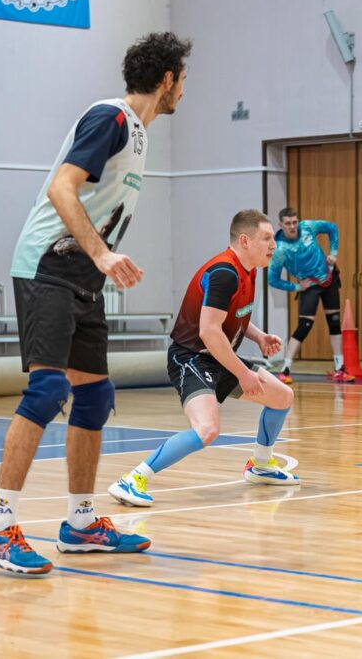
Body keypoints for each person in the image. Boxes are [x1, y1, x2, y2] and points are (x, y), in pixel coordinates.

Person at [0, 32, 192, 575]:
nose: (184, 91)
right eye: (183, 80)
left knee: (94, 397)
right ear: (167, 79)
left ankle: (81, 523)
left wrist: (99, 260)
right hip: (47, 268)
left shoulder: (137, 133)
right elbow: (61, 188)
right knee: (48, 390)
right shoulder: (110, 118)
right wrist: (102, 253)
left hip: (83, 277)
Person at [108, 210, 299, 508]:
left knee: (282, 397)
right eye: (266, 238)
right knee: (207, 429)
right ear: (245, 241)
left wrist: (259, 337)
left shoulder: (248, 269)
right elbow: (209, 332)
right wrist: (244, 373)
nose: (273, 245)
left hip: (218, 355)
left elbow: (229, 316)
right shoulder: (224, 273)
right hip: (191, 358)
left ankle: (261, 465)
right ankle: (132, 479)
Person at [268, 208, 353, 383]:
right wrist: (297, 287)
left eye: (295, 222)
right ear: (281, 225)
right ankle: (285, 370)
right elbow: (273, 279)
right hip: (309, 287)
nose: (293, 226)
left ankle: (340, 369)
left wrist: (333, 253)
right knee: (304, 326)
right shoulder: (280, 249)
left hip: (328, 279)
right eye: (288, 223)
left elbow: (332, 228)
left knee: (334, 323)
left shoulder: (307, 227)